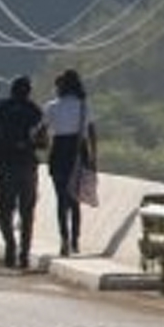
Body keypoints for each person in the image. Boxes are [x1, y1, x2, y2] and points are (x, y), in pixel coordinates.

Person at [0, 76, 46, 269]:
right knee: (27, 212)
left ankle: (10, 247)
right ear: (28, 91)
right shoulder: (35, 112)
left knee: (5, 211)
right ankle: (24, 254)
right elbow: (42, 143)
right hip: (28, 166)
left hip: (5, 166)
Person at [44, 69, 97, 256]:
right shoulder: (84, 106)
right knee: (75, 199)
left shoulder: (52, 107)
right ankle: (75, 240)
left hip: (59, 152)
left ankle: (64, 239)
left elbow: (44, 131)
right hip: (78, 152)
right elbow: (92, 134)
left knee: (61, 199)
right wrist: (93, 158)